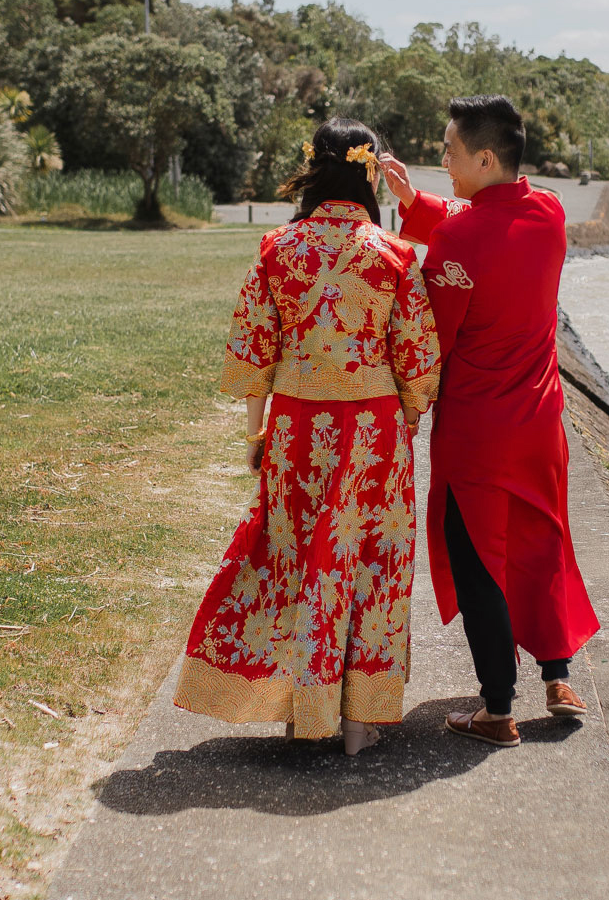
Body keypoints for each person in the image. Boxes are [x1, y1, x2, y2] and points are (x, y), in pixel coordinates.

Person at [173, 119, 441, 756]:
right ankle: (356, 721)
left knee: (297, 563)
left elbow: (253, 350)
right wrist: (411, 416)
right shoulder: (395, 255)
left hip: (296, 425)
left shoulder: (277, 248)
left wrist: (256, 432)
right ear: (369, 171)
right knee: (369, 567)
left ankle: (303, 712)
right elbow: (418, 358)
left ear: (313, 168)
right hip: (373, 432)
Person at [379, 95, 599, 749]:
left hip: (477, 428)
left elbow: (432, 340)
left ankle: (497, 711)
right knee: (543, 540)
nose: (442, 159)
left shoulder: (456, 238)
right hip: (540, 419)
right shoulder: (551, 214)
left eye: (449, 150)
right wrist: (416, 201)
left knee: (479, 563)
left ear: (483, 156)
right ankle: (558, 674)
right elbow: (486, 219)